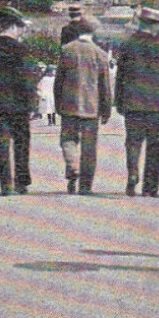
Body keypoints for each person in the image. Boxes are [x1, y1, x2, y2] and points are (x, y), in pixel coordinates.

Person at [114, 7, 159, 197]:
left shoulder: (128, 43)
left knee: (133, 142)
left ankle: (133, 173)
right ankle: (150, 188)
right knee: (154, 145)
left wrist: (118, 100)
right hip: (155, 103)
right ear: (155, 25)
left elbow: (120, 74)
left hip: (132, 101)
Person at [54, 16, 113, 194]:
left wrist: (58, 104)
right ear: (92, 33)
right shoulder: (100, 54)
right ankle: (85, 186)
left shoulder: (67, 50)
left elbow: (58, 81)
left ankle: (72, 165)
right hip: (91, 108)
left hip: (69, 105)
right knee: (89, 148)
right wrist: (106, 109)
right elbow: (105, 86)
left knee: (68, 140)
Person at [0, 6, 35, 196]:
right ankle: (21, 182)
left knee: (2, 142)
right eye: (20, 27)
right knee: (21, 141)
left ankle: (6, 185)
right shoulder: (21, 49)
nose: (21, 31)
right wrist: (32, 102)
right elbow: (26, 78)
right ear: (12, 26)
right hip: (19, 103)